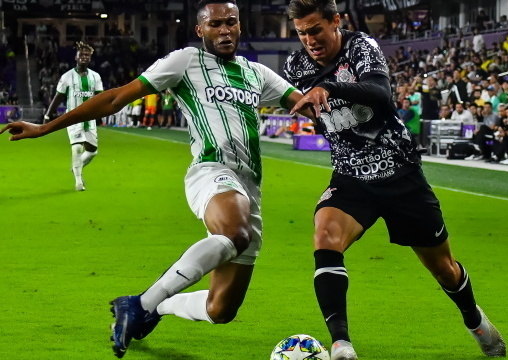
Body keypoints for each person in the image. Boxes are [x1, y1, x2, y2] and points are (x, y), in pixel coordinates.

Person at [1, 1, 308, 358]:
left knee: (221, 309)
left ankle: (156, 309)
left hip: (250, 186)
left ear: (240, 27)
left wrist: (334, 104)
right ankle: (141, 302)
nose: (225, 30)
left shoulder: (256, 73)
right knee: (234, 234)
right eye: (216, 24)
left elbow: (302, 102)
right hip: (211, 171)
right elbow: (116, 97)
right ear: (201, 30)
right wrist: (45, 127)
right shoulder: (185, 61)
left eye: (232, 23)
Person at [283, 1, 506, 359]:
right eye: (302, 33)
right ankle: (341, 344)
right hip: (351, 175)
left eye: (315, 30)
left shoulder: (361, 47)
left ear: (335, 21)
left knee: (444, 270)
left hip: (400, 173)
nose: (310, 40)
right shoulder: (295, 65)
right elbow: (301, 103)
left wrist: (330, 89)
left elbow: (380, 94)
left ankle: (473, 319)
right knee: (325, 234)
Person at [43, 41, 103, 191]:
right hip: (73, 118)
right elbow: (58, 97)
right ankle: (78, 181)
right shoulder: (67, 76)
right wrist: (48, 115)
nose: (84, 57)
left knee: (92, 151)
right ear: (76, 57)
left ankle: (77, 167)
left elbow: (100, 98)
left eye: (87, 55)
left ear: (90, 59)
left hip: (90, 119)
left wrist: (102, 114)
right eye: (81, 54)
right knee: (76, 148)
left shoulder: (95, 77)